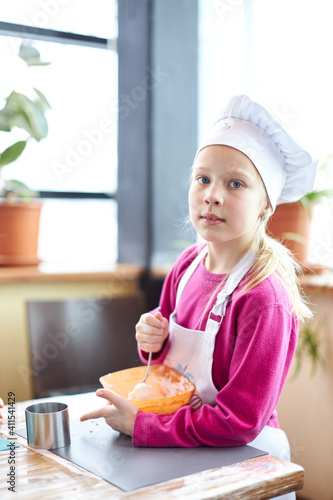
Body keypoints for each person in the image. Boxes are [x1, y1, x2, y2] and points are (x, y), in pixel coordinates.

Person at [81, 95, 317, 498]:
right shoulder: (188, 264)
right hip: (185, 454)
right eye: (203, 178)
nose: (212, 195)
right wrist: (150, 339)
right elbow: (169, 365)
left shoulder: (264, 298)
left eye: (235, 183)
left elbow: (240, 421)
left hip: (243, 465)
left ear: (265, 205)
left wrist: (143, 426)